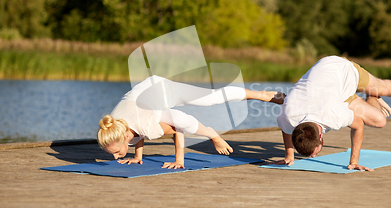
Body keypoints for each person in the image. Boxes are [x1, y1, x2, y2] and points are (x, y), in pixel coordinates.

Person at [275, 56, 391, 171]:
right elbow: (286, 128)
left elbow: (358, 126)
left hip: (341, 70)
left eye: (314, 152)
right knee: (380, 121)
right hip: (334, 92)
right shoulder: (289, 116)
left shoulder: (333, 116)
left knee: (382, 88)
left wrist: (354, 161)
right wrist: (290, 155)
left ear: (321, 137)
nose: (314, 157)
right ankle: (372, 96)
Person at [97, 75, 284, 169]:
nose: (115, 156)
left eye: (116, 152)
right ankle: (262, 95)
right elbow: (136, 133)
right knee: (159, 120)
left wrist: (179, 160)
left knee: (211, 99)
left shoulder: (144, 124)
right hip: (149, 98)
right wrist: (138, 157)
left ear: (125, 137)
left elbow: (178, 126)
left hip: (164, 90)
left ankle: (261, 95)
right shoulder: (115, 124)